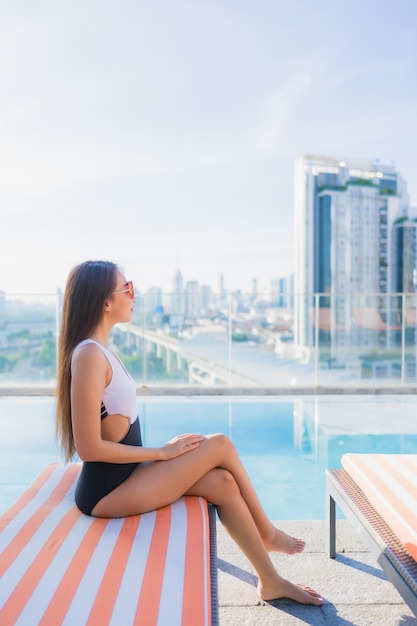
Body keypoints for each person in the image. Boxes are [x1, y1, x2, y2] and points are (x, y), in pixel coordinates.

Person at [55, 259, 323, 606]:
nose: (134, 295)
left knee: (222, 484)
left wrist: (162, 453)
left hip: (126, 476)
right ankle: (267, 532)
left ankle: (270, 581)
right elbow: (89, 448)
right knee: (220, 445)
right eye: (128, 289)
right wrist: (161, 453)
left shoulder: (100, 349)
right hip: (106, 492)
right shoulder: (89, 354)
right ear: (106, 302)